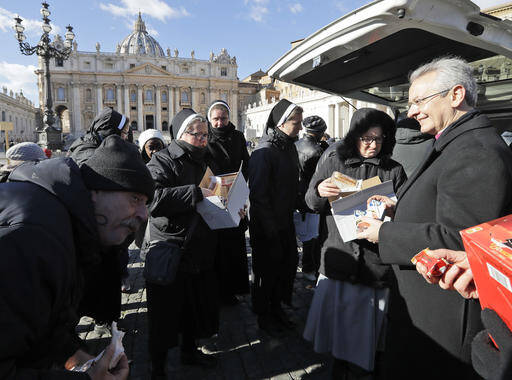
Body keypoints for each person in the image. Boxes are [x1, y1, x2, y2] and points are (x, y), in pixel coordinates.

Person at [356, 56, 512, 378]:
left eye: (419, 101)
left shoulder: (476, 150)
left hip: (445, 321)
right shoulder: (454, 142)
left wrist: (383, 234)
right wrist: (400, 208)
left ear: (456, 95)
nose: (411, 111)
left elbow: (459, 240)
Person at [0, 135, 154, 379]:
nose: (144, 214)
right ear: (94, 193)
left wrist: (78, 356)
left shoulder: (70, 230)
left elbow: (44, 321)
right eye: (135, 199)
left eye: (146, 203)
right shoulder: (33, 240)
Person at [303, 108, 406, 379]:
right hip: (340, 259)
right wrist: (319, 191)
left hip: (375, 266)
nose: (372, 144)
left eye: (379, 139)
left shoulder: (394, 170)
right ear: (354, 137)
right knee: (339, 337)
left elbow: (407, 216)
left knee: (370, 337)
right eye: (366, 138)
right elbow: (310, 203)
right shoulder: (333, 161)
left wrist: (396, 210)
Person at [145, 109, 219, 378]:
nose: (201, 138)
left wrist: (232, 206)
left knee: (192, 308)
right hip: (171, 247)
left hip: (199, 245)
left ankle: (190, 352)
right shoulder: (162, 160)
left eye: (205, 134)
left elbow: (216, 190)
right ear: (179, 134)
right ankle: (158, 368)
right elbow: (151, 199)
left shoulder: (207, 159)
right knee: (163, 316)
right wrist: (195, 193)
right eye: (195, 133)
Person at [248, 99, 303, 336]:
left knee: (286, 268)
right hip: (267, 226)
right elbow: (258, 196)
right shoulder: (264, 151)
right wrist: (271, 230)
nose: (300, 127)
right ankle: (264, 315)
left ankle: (277, 307)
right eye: (296, 123)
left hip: (284, 221)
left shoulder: (289, 146)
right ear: (281, 123)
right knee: (266, 272)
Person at [206, 99, 250, 305]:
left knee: (234, 245)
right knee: (216, 247)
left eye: (223, 118)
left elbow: (246, 163)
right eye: (216, 119)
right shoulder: (204, 138)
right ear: (209, 119)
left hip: (236, 193)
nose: (220, 123)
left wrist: (241, 184)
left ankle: (233, 289)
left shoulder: (238, 137)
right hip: (213, 194)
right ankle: (216, 290)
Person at [294, 115, 329, 281]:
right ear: (321, 132)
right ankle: (309, 267)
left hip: (297, 195)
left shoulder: (296, 144)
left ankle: (305, 265)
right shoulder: (317, 151)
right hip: (310, 195)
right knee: (311, 237)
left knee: (305, 235)